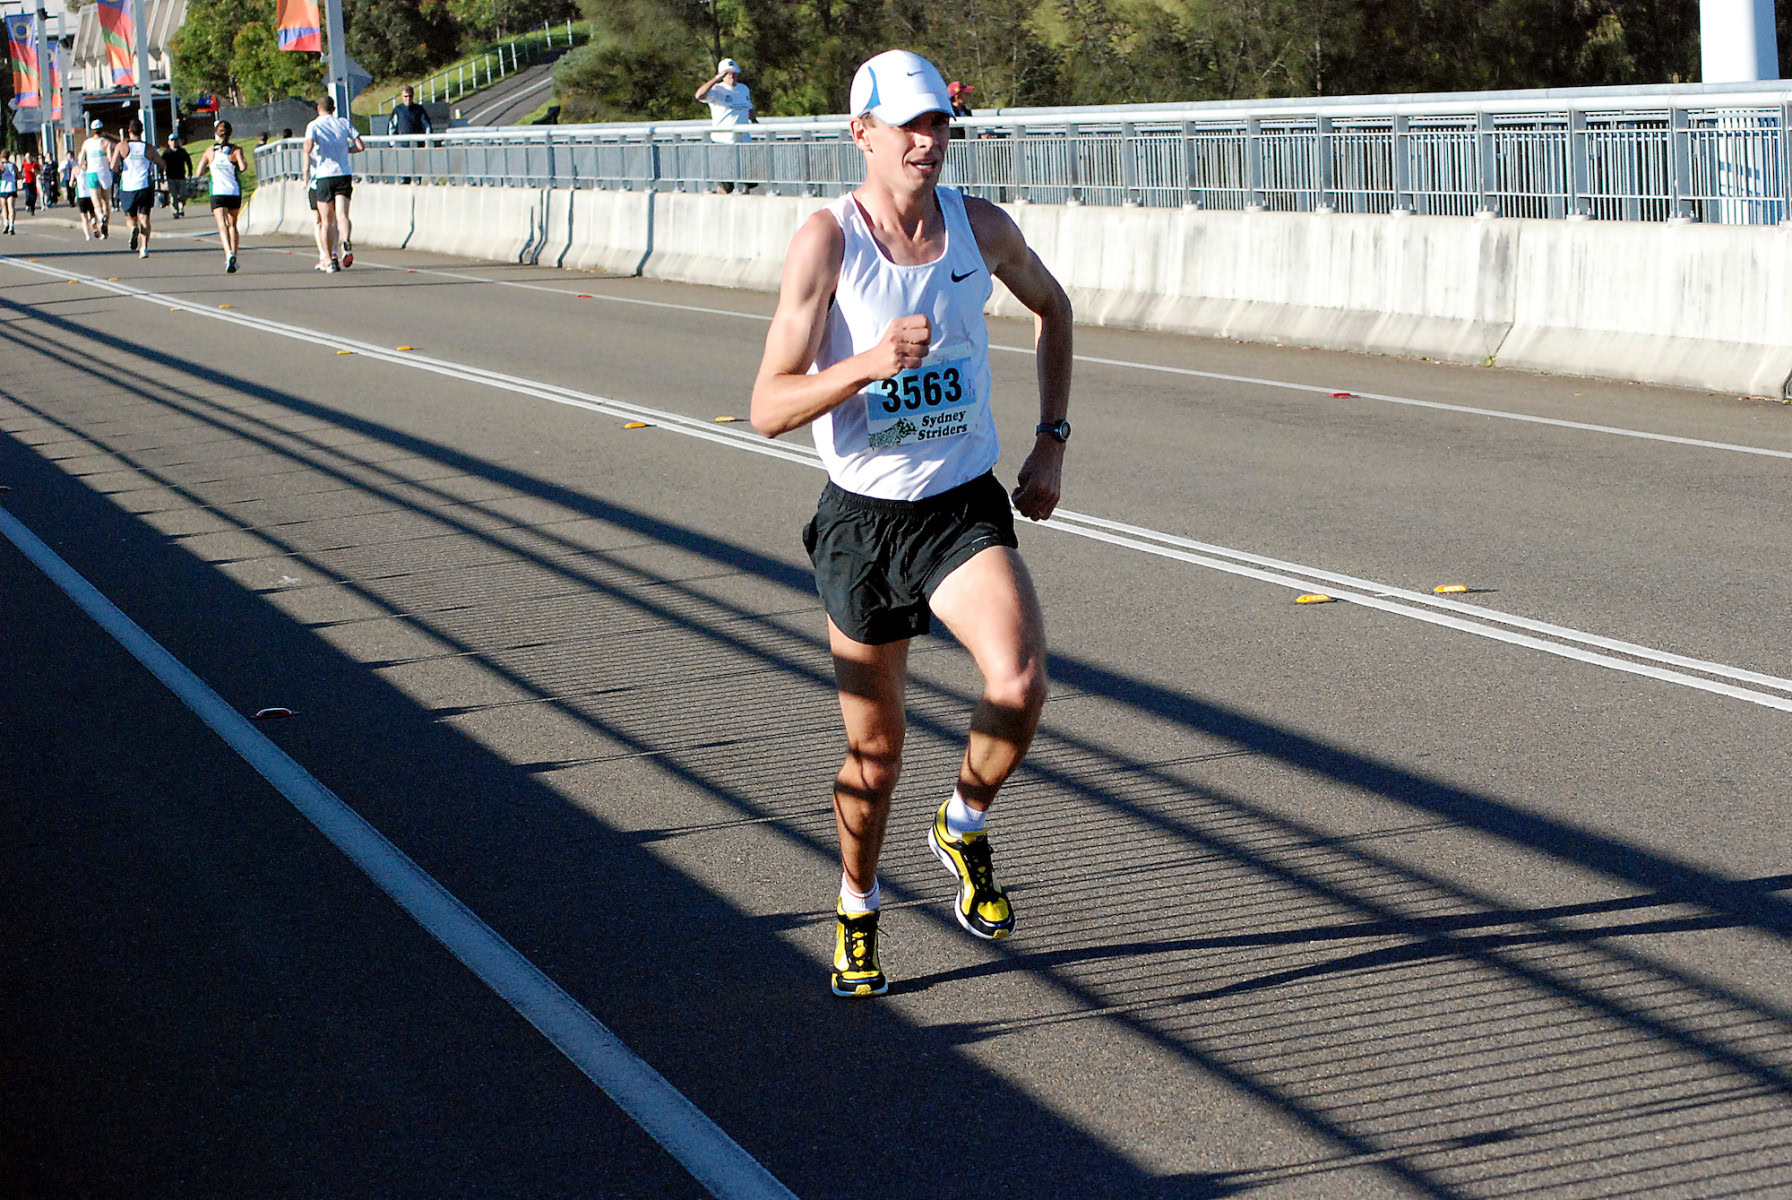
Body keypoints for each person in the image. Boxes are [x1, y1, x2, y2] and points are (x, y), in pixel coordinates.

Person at [749, 49, 1073, 998]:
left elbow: (1056, 311)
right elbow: (768, 405)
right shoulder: (827, 243)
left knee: (1018, 682)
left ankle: (964, 825)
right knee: (876, 753)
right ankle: (856, 905)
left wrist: (1051, 440)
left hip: (960, 503)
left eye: (940, 125)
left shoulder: (982, 228)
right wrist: (868, 364)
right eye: (910, 127)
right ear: (863, 134)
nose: (929, 142)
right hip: (863, 521)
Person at [302, 94, 364, 272]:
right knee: (342, 216)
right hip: (343, 173)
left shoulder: (314, 125)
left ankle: (329, 259)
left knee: (326, 222)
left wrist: (310, 151)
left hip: (324, 175)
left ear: (318, 109)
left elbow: (308, 146)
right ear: (334, 109)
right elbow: (361, 146)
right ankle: (346, 241)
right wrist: (345, 151)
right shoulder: (343, 123)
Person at [694, 57, 757, 194]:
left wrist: (755, 121)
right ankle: (718, 203)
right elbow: (699, 95)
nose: (732, 76)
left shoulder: (743, 89)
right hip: (723, 141)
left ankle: (744, 204)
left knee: (749, 179)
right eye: (728, 73)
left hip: (744, 140)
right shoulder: (716, 90)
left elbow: (748, 108)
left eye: (734, 73)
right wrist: (715, 79)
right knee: (727, 184)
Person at [111, 119, 166, 258]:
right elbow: (161, 163)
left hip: (128, 187)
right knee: (145, 218)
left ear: (129, 131)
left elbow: (113, 166)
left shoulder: (122, 146)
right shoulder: (148, 148)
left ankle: (133, 229)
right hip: (144, 187)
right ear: (142, 131)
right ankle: (144, 248)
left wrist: (120, 171)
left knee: (130, 218)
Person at [199, 120, 247, 273]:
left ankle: (228, 253)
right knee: (233, 224)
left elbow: (199, 171)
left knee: (222, 225)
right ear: (230, 133)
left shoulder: (210, 151)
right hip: (233, 191)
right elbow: (243, 167)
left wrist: (209, 168)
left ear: (215, 133)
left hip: (217, 192)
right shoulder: (236, 150)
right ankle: (234, 256)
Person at [387, 85, 431, 184]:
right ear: (402, 97)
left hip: (418, 146)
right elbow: (392, 127)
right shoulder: (398, 110)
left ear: (413, 96)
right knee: (404, 173)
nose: (408, 99)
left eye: (410, 96)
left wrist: (427, 142)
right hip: (403, 146)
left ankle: (417, 185)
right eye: (405, 96)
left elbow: (427, 126)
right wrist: (392, 144)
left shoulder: (419, 110)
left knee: (417, 172)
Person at [79, 118, 114, 237]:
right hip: (104, 173)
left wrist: (83, 165)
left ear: (92, 130)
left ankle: (100, 216)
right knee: (106, 202)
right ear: (102, 130)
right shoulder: (106, 142)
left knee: (96, 203)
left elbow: (81, 158)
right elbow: (110, 159)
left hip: (92, 173)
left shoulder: (87, 143)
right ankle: (105, 228)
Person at [161, 133, 192, 218]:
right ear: (168, 142)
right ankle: (175, 212)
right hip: (171, 177)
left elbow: (188, 161)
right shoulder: (166, 153)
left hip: (181, 176)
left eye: (175, 140)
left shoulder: (182, 151)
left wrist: (190, 172)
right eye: (172, 140)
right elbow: (161, 164)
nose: (174, 142)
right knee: (173, 195)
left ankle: (181, 207)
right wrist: (161, 176)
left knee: (183, 194)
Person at [0, 151, 17, 234]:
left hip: (3, 188)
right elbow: (18, 175)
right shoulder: (13, 165)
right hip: (12, 187)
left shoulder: (1, 165)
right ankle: (11, 225)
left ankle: (6, 222)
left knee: (4, 208)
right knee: (11, 207)